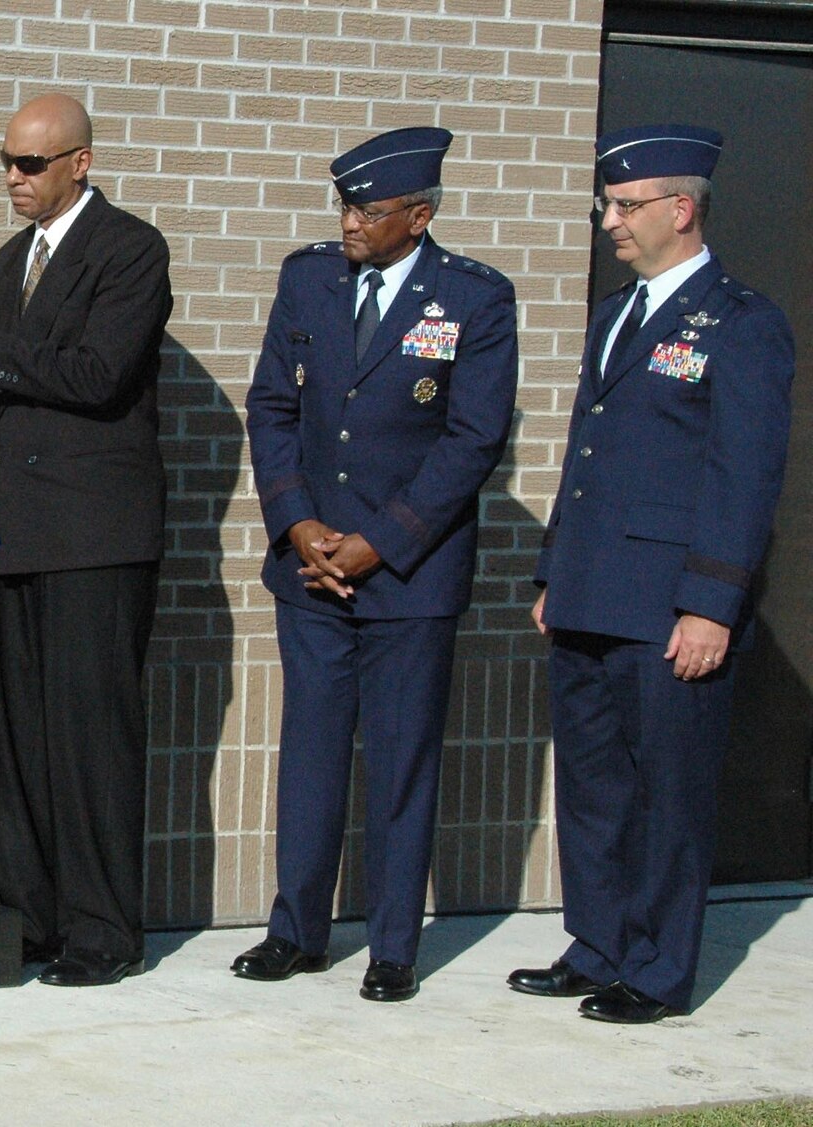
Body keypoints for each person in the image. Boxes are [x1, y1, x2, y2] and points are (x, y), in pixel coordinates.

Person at [512, 125, 793, 1024]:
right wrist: (556, 571)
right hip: (594, 592)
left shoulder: (744, 324)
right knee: (594, 790)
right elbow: (587, 457)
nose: (609, 222)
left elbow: (744, 476)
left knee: (669, 796)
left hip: (671, 607)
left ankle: (659, 969)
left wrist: (712, 605)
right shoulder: (616, 314)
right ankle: (597, 945)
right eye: (607, 205)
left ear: (683, 208)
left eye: (626, 206)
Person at [237, 127, 520, 1003]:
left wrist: (380, 541)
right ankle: (298, 930)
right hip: (312, 568)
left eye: (369, 207)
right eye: (345, 205)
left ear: (420, 214)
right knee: (312, 754)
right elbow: (272, 404)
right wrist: (297, 523)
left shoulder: (474, 299)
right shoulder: (308, 276)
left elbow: (474, 439)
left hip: (409, 574)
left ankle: (393, 946)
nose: (350, 221)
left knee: (400, 761)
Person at [0, 93, 171, 988]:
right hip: (20, 528)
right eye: (6, 161)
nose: (14, 180)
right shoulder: (9, 258)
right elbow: (17, 391)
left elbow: (99, 377)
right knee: (22, 739)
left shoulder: (131, 249)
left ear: (80, 163)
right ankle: (30, 919)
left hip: (95, 532)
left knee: (90, 739)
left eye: (32, 164)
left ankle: (103, 931)